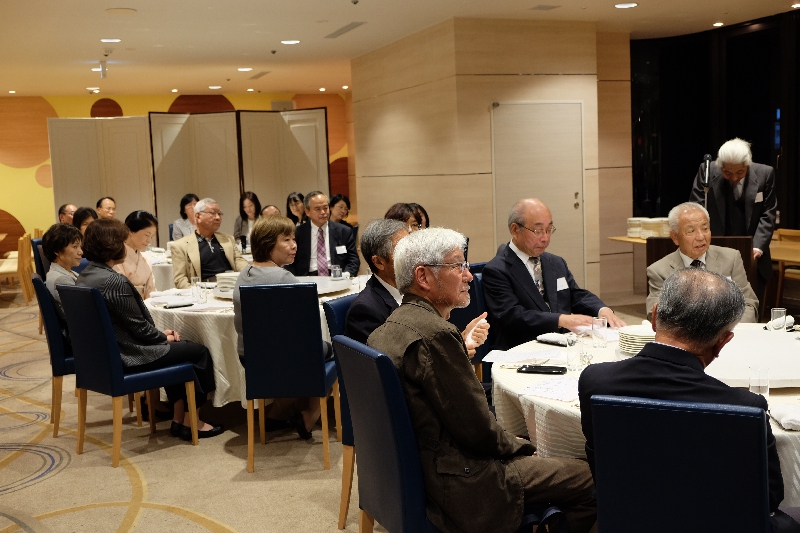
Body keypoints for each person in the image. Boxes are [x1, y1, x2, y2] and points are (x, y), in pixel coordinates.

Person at [368, 228, 597, 533]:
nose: (468, 276)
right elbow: (477, 429)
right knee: (591, 476)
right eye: (457, 266)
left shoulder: (388, 328)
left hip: (421, 469)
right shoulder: (436, 335)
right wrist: (521, 446)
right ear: (423, 277)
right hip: (463, 481)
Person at [578, 268, 799, 532]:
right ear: (723, 341)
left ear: (655, 317)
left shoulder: (596, 381)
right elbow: (768, 497)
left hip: (628, 520)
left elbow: (602, 467)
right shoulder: (743, 407)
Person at [75, 219, 222, 440]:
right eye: (122, 242)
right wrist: (162, 336)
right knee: (198, 352)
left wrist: (161, 336)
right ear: (112, 245)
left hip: (106, 355)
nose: (125, 247)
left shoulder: (85, 276)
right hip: (130, 354)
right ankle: (193, 421)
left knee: (180, 349)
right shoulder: (113, 281)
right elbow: (140, 328)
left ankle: (178, 418)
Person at [483, 198, 625, 350]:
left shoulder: (556, 263)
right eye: (538, 231)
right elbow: (512, 315)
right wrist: (561, 320)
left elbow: (575, 294)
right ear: (515, 230)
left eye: (549, 230)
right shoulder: (497, 270)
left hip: (563, 345)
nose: (545, 238)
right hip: (521, 349)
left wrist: (602, 309)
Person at [233, 215, 328, 439]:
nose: (294, 245)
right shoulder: (284, 278)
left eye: (294, 239)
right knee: (333, 349)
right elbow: (307, 330)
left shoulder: (244, 273)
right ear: (268, 244)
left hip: (250, 358)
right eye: (286, 240)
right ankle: (311, 415)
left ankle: (275, 416)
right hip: (284, 362)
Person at [345, 219, 489, 355]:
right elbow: (392, 368)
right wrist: (457, 352)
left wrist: (459, 341)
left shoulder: (418, 291)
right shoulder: (365, 311)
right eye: (402, 250)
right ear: (379, 262)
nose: (413, 255)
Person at [689, 138, 777, 301]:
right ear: (720, 166)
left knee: (751, 305)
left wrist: (758, 246)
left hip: (752, 253)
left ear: (748, 165)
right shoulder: (707, 171)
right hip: (716, 250)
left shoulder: (765, 174)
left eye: (740, 172)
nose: (734, 177)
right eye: (727, 172)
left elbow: (768, 213)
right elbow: (696, 208)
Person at [647, 202, 759, 322]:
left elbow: (749, 303)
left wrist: (728, 328)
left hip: (729, 330)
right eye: (691, 231)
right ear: (675, 237)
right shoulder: (659, 271)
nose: (701, 237)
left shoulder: (731, 258)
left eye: (705, 229)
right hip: (685, 333)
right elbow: (655, 313)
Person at [171, 197, 248, 288]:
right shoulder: (180, 246)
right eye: (212, 213)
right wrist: (196, 293)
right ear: (198, 216)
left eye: (219, 214)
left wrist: (249, 274)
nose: (218, 217)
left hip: (230, 286)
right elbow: (180, 279)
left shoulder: (228, 239)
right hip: (203, 290)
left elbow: (239, 261)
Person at [285, 191, 360, 277]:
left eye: (325, 208)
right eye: (318, 209)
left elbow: (353, 260)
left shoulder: (344, 231)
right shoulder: (297, 233)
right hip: (307, 277)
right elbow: (288, 261)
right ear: (307, 211)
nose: (323, 212)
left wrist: (346, 275)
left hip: (337, 276)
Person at [42, 223, 83, 329]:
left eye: (80, 246)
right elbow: (81, 313)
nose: (81, 252)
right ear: (57, 251)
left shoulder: (64, 272)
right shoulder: (61, 279)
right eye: (75, 247)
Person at [114, 211, 158, 300]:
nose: (149, 240)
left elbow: (151, 291)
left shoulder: (145, 258)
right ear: (130, 231)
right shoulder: (115, 257)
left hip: (146, 305)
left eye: (152, 236)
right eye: (147, 235)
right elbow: (119, 290)